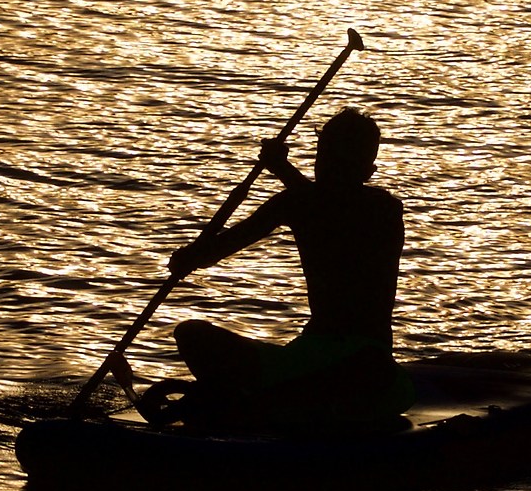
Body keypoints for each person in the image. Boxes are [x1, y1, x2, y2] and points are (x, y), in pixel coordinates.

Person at [141, 106, 413, 432]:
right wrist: (192, 256)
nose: (327, 167)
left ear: (368, 171)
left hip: (362, 359)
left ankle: (256, 403)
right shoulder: (298, 201)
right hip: (305, 354)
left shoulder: (384, 210)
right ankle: (263, 401)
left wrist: (282, 169)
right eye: (323, 156)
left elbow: (335, 210)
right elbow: (224, 245)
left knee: (370, 371)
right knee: (191, 334)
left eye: (341, 161)